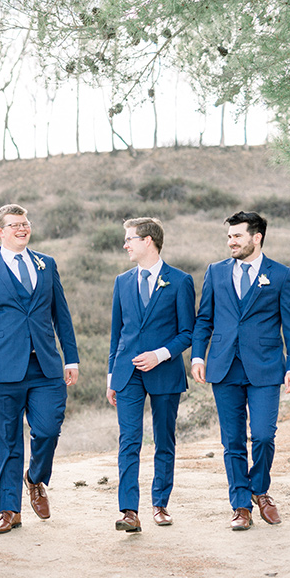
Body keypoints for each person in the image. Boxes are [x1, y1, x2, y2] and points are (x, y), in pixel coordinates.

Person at [0, 204, 80, 534]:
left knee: (47, 430)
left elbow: (62, 314)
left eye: (25, 223)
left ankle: (35, 478)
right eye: (14, 224)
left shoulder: (47, 264)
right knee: (8, 443)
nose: (22, 228)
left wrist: (70, 358)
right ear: (0, 231)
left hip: (45, 366)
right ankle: (7, 510)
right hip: (0, 369)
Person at [191, 211, 290, 530]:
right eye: (229, 236)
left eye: (237, 236)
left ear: (257, 237)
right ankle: (241, 505)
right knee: (232, 442)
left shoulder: (281, 275)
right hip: (224, 366)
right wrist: (198, 357)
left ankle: (260, 489)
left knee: (265, 436)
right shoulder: (215, 272)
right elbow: (204, 320)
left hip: (267, 369)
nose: (231, 241)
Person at [106, 218, 195, 533]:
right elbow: (117, 334)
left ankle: (160, 504)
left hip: (165, 372)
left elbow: (188, 333)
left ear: (148, 241)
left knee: (163, 439)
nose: (125, 244)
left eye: (130, 238)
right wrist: (111, 376)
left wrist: (160, 355)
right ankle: (129, 511)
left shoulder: (180, 281)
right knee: (129, 439)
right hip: (127, 374)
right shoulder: (122, 281)